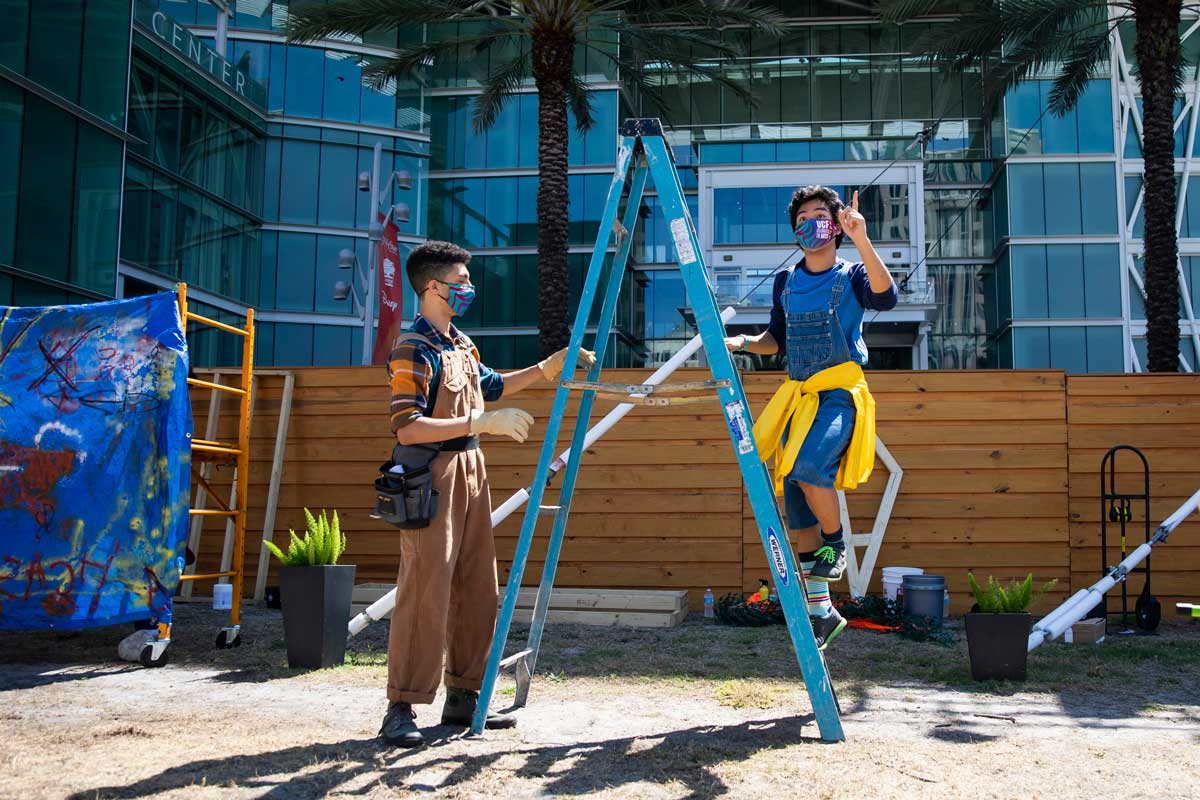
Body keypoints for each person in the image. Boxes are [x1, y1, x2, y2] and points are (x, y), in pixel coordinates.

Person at [379, 240, 595, 748]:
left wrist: (546, 368)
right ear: (432, 288)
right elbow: (407, 427)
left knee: (478, 587)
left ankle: (463, 697)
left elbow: (492, 386)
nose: (468, 290)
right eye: (460, 283)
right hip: (429, 474)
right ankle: (401, 706)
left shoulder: (460, 343)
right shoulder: (414, 348)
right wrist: (479, 421)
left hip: (472, 469)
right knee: (425, 589)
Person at [724, 186, 897, 650]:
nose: (811, 224)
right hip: (800, 399)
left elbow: (886, 298)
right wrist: (742, 343)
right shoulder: (786, 283)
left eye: (821, 215)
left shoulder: (854, 274)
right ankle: (822, 610)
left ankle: (836, 545)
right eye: (802, 217)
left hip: (839, 394)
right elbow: (776, 340)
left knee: (810, 469)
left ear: (837, 224)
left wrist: (862, 239)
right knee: (795, 502)